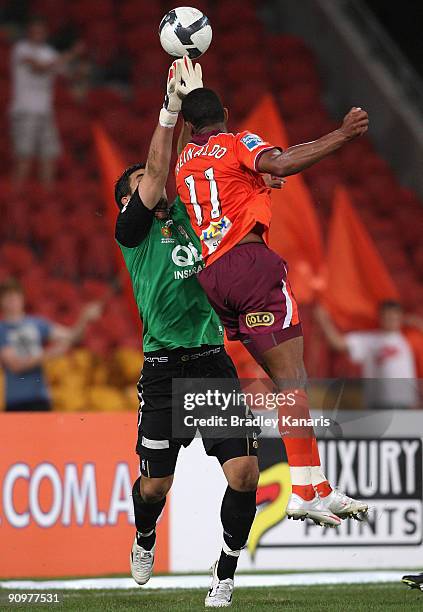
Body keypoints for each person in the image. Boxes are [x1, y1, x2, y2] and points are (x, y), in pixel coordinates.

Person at [175, 87, 370, 526]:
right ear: (224, 114)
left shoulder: (184, 162)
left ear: (188, 126)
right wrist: (341, 135)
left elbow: (226, 187)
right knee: (292, 380)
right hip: (251, 264)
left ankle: (318, 485)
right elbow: (280, 161)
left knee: (288, 383)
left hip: (215, 276)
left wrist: (261, 182)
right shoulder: (238, 141)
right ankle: (303, 491)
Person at [115, 58, 259, 608]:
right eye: (140, 189)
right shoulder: (132, 233)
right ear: (127, 204)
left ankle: (224, 571)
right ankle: (145, 535)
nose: (153, 190)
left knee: (245, 472)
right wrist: (170, 109)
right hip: (163, 368)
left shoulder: (194, 218)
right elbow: (155, 175)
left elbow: (198, 174)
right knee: (155, 486)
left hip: (210, 363)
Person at [0, 278, 102, 411]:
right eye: (8, 297)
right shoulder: (2, 329)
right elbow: (15, 365)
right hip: (16, 400)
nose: (13, 301)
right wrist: (51, 353)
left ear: (22, 298)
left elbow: (72, 336)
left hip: (41, 398)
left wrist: (84, 318)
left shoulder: (37, 323)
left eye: (15, 296)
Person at [10, 17, 82, 188]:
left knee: (48, 156)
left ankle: (48, 199)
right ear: (29, 32)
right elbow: (40, 67)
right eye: (35, 31)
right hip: (25, 111)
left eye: (41, 31)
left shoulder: (48, 52)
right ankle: (16, 198)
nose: (38, 34)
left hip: (45, 112)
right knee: (24, 158)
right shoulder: (21, 49)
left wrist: (80, 69)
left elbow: (68, 73)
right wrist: (72, 53)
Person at [315, 301, 418, 409]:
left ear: (401, 317)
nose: (390, 319)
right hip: (378, 403)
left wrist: (415, 322)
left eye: (394, 315)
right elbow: (338, 343)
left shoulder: (411, 338)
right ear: (380, 317)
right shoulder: (369, 340)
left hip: (406, 403)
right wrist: (324, 320)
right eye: (387, 315)